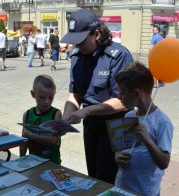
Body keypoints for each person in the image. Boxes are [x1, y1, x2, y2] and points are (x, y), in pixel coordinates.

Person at [61, 8, 134, 184]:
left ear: (97, 33)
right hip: (91, 124)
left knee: (109, 180)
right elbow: (75, 94)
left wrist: (87, 111)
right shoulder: (77, 57)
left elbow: (125, 101)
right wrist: (64, 119)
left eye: (81, 41)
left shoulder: (119, 56)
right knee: (93, 175)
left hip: (116, 126)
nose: (77, 46)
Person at [114, 62, 173, 196]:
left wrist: (147, 140)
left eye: (122, 93)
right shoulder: (129, 115)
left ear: (136, 93)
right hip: (122, 187)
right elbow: (120, 149)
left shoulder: (162, 122)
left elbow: (164, 162)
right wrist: (117, 156)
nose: (118, 97)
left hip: (145, 192)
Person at [20, 75, 62, 164]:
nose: (47, 101)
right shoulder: (27, 114)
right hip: (32, 162)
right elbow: (24, 141)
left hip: (52, 163)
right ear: (33, 94)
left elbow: (53, 140)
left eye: (50, 97)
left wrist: (32, 135)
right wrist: (21, 159)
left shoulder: (56, 114)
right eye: (42, 97)